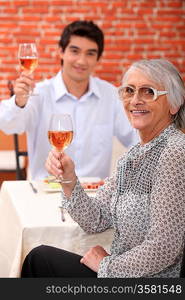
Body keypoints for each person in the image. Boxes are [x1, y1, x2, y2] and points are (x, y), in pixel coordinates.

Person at [21, 58, 185, 278]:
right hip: (120, 275)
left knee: (39, 260)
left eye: (148, 92)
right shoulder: (132, 156)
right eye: (129, 91)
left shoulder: (175, 152)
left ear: (174, 104)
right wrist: (69, 180)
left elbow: (164, 247)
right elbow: (96, 220)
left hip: (149, 284)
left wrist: (107, 266)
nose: (135, 100)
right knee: (39, 258)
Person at [0, 20, 138, 180]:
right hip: (48, 192)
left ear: (98, 59)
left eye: (90, 53)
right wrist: (19, 102)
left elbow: (136, 138)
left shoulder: (111, 96)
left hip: (94, 195)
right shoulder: (40, 94)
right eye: (75, 51)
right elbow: (8, 125)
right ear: (61, 52)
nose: (81, 61)